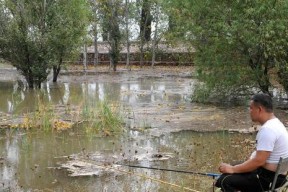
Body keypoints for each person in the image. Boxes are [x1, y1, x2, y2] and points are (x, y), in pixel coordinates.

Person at [215, 93, 288, 192]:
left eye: (251, 108)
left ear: (260, 109)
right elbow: (261, 154)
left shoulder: (268, 130)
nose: (249, 111)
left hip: (267, 179)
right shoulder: (276, 124)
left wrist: (232, 169)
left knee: (224, 180)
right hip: (277, 176)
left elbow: (259, 161)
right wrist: (234, 167)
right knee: (233, 165)